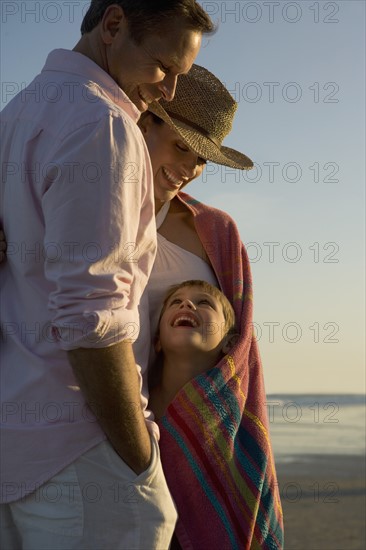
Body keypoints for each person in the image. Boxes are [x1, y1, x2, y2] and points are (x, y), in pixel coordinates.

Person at [0, 1, 214, 549]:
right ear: (113, 25)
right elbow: (91, 317)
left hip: (16, 438)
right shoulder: (106, 124)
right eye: (164, 67)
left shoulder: (19, 110)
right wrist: (138, 458)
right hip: (82, 446)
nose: (167, 91)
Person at [138, 65, 284, 549]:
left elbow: (238, 342)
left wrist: (202, 423)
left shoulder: (215, 232)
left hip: (196, 425)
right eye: (181, 146)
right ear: (144, 122)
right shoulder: (89, 208)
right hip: (97, 412)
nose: (189, 168)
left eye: (202, 159)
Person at [148, 279, 239, 421]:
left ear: (229, 342)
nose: (186, 304)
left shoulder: (230, 418)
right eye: (176, 302)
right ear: (157, 341)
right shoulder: (135, 404)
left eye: (204, 302)